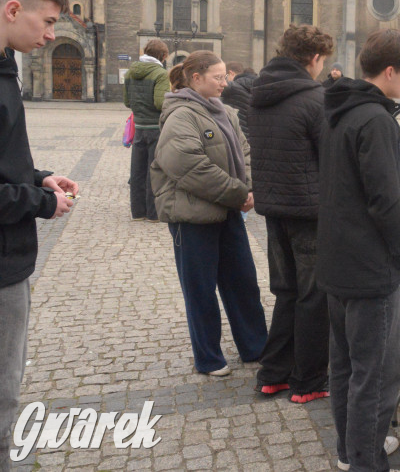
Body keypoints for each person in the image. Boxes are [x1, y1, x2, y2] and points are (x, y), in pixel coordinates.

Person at [318, 29, 400, 471]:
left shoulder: (339, 110)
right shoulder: (377, 120)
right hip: (367, 268)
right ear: (390, 71)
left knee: (345, 367)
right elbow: (386, 200)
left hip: (338, 260)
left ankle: (350, 450)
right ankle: (365, 460)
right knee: (374, 376)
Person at [0, 0, 77, 471]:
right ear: (12, 9)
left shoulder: (7, 68)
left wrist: (38, 176)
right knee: (3, 394)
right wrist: (41, 203)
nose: (51, 36)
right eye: (47, 22)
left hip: (11, 257)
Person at [150, 51, 267, 376]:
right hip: (192, 218)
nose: (224, 82)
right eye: (218, 77)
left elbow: (246, 152)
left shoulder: (225, 112)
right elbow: (186, 165)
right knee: (200, 289)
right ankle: (209, 358)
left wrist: (248, 187)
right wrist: (239, 192)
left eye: (224, 76)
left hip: (228, 211)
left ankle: (256, 347)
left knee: (243, 282)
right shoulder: (180, 115)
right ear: (195, 78)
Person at [248, 25, 334, 402]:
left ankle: (274, 373)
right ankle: (309, 381)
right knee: (313, 296)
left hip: (273, 208)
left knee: (286, 292)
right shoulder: (315, 98)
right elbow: (330, 159)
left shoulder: (258, 93)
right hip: (309, 212)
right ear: (314, 59)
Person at [123, 38, 170, 222]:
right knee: (154, 171)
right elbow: (160, 103)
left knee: (137, 171)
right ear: (164, 56)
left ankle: (138, 212)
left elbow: (127, 102)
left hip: (139, 126)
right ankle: (153, 214)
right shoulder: (160, 74)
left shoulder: (130, 73)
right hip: (155, 128)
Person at [221, 61, 257, 139]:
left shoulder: (232, 87)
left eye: (225, 77)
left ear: (231, 73)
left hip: (234, 135)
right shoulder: (257, 88)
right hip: (251, 136)